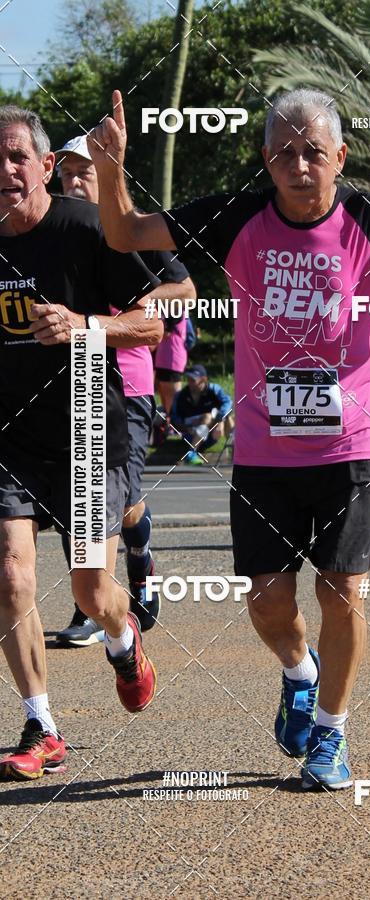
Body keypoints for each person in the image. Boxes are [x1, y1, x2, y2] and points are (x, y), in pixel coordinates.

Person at [89, 88, 370, 790]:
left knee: (342, 592)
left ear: (339, 156)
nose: (299, 164)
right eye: (283, 152)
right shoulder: (236, 216)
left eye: (313, 151)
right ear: (266, 159)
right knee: (268, 600)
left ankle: (331, 735)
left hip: (354, 444)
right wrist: (111, 166)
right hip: (266, 450)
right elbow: (125, 233)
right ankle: (298, 673)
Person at [0, 106, 163, 780]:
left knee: (94, 593)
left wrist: (83, 324)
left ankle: (125, 644)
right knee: (10, 574)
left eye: (16, 157)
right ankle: (42, 724)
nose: (4, 171)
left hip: (88, 429)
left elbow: (150, 325)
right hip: (10, 438)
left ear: (44, 166)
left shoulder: (86, 228)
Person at [52, 134, 197, 645]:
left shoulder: (128, 229)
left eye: (84, 171)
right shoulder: (52, 230)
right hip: (66, 385)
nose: (73, 180)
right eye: (67, 172)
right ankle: (94, 599)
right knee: (81, 498)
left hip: (127, 384)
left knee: (120, 500)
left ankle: (135, 557)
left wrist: (128, 306)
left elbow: (185, 289)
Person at [170, 365, 234, 465]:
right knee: (208, 416)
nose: (190, 382)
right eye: (188, 379)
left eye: (193, 380)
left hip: (211, 431)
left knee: (229, 417)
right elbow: (174, 418)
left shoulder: (214, 390)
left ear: (204, 379)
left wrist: (220, 420)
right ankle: (191, 453)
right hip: (189, 432)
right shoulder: (180, 395)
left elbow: (228, 403)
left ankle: (235, 453)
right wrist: (186, 428)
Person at [155, 314, 188, 415]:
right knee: (165, 401)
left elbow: (165, 333)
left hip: (172, 360)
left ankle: (175, 427)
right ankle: (168, 425)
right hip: (163, 359)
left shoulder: (175, 308)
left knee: (173, 401)